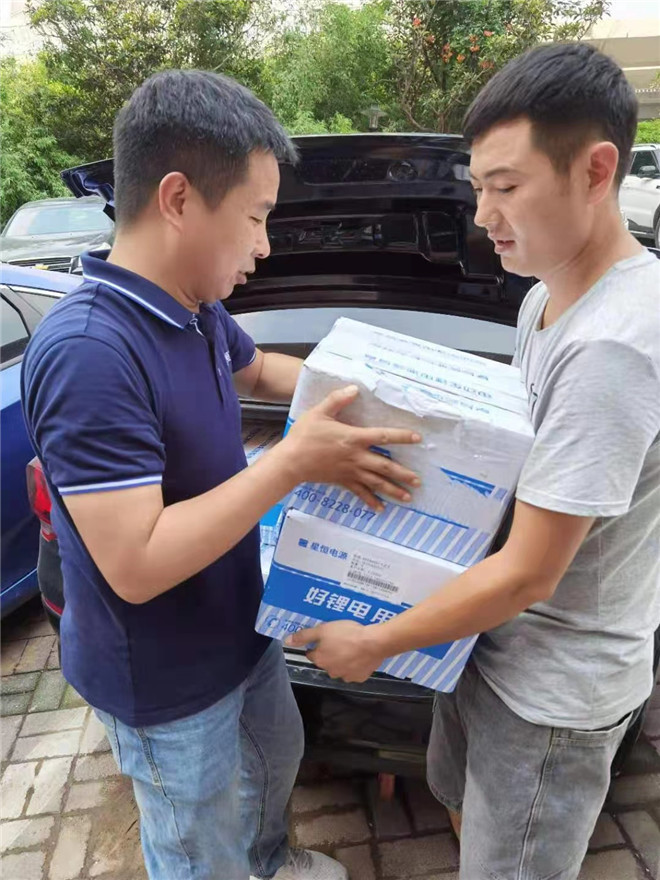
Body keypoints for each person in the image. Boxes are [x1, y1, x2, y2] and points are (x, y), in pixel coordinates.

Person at [21, 70, 422, 880]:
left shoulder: (193, 308)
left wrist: (379, 388)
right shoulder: (91, 353)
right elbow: (137, 563)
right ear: (178, 199)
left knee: (276, 762)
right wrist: (292, 462)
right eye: (256, 216)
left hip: (239, 629)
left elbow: (262, 369)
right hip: (163, 679)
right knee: (197, 842)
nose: (264, 245)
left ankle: (271, 865)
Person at [287, 42, 660, 879]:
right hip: (487, 649)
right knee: (459, 800)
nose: (484, 214)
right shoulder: (545, 298)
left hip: (552, 692)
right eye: (478, 187)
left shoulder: (615, 347)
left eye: (506, 187)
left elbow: (529, 572)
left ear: (596, 171)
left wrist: (375, 640)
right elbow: (509, 455)